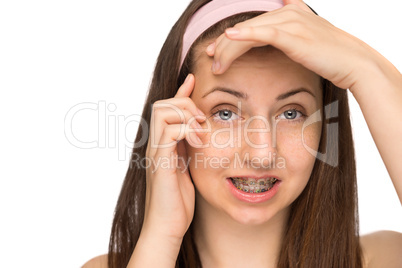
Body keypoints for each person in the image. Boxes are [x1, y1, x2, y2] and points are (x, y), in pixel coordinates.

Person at [83, 0, 402, 267]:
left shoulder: (384, 258)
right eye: (225, 113)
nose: (261, 154)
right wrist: (162, 235)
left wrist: (366, 70)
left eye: (291, 113)